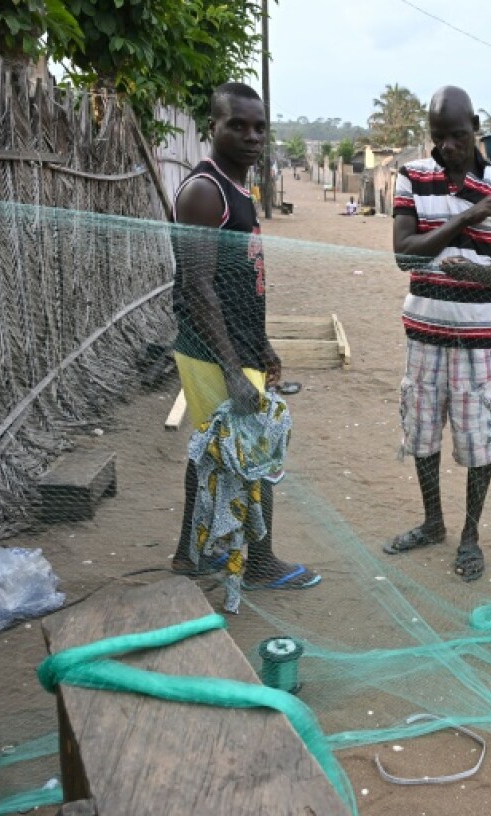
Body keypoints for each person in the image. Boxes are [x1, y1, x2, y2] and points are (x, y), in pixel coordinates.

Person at [169, 82, 320, 590]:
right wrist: (234, 369)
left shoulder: (237, 188)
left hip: (235, 345)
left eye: (259, 127)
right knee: (253, 450)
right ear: (213, 127)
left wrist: (262, 344)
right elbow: (197, 286)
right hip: (211, 352)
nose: (252, 136)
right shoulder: (204, 192)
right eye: (238, 125)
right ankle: (259, 562)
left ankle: (190, 555)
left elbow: (240, 283)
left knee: (213, 447)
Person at [384, 86, 491, 582]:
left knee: (477, 438)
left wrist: (477, 276)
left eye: (458, 135)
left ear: (477, 126)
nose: (447, 147)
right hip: (423, 334)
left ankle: (469, 534)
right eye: (438, 137)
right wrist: (465, 217)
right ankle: (432, 521)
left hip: (479, 340)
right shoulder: (411, 177)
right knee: (422, 433)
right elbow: (405, 253)